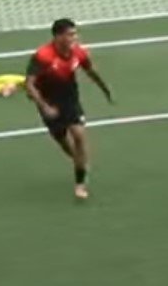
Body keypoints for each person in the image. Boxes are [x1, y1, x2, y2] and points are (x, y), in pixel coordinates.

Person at [26, 18, 114, 200]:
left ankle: (80, 184)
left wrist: (105, 89)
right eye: (70, 34)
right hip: (49, 101)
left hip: (70, 100)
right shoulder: (43, 56)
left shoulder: (78, 53)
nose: (75, 37)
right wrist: (44, 106)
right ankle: (79, 162)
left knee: (79, 136)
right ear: (58, 37)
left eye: (75, 33)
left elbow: (91, 71)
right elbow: (29, 84)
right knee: (65, 143)